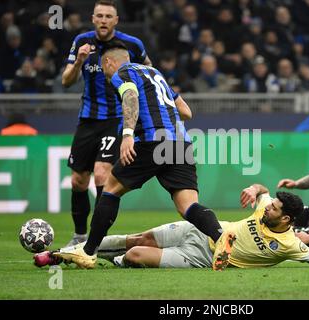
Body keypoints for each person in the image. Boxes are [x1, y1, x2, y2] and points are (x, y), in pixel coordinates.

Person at [53, 41, 234, 271]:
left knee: (111, 188)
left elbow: (130, 96)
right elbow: (186, 111)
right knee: (187, 205)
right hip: (181, 142)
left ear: (108, 62)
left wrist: (128, 134)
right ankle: (220, 236)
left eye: (103, 68)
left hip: (151, 140)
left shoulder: (122, 72)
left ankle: (88, 253)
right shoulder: (155, 72)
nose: (106, 75)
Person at [35, 184, 309, 269]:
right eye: (270, 204)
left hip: (200, 257)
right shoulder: (265, 208)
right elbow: (261, 190)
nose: (268, 206)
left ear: (286, 219)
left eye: (274, 208)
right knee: (139, 237)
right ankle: (71, 252)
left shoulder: (289, 244)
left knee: (133, 255)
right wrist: (255, 189)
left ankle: (103, 258)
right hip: (201, 230)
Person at [61, 0, 152, 247]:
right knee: (78, 180)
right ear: (92, 19)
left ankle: (95, 238)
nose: (103, 20)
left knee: (102, 173)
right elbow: (66, 81)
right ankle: (79, 235)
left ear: (116, 20)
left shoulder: (133, 44)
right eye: (99, 15)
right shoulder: (81, 42)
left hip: (116, 119)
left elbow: (150, 73)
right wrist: (79, 62)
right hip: (88, 119)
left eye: (108, 16)